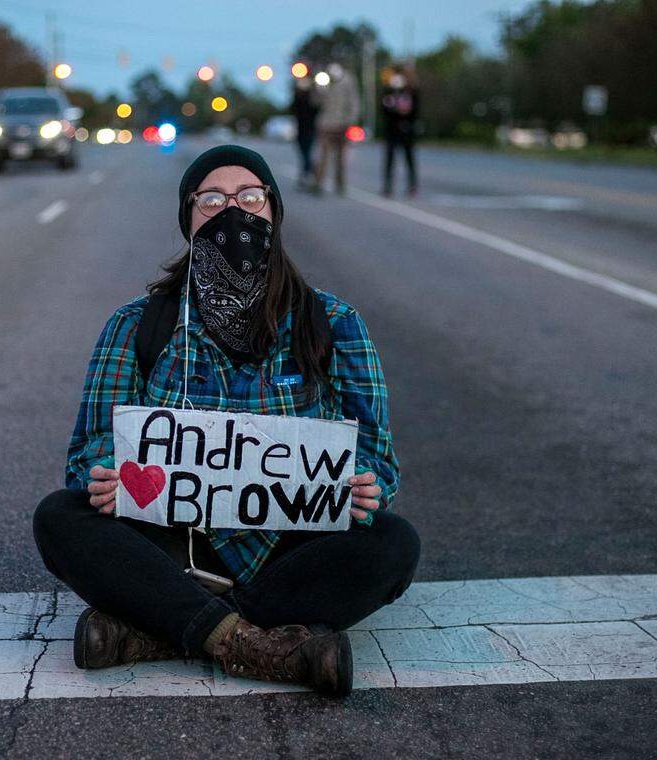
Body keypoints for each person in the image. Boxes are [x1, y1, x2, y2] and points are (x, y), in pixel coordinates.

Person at [32, 145, 419, 697]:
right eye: (211, 199)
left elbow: (377, 453)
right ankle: (260, 643)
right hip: (171, 544)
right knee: (60, 517)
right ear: (189, 219)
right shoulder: (138, 324)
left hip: (288, 549)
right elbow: (90, 447)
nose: (233, 211)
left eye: (250, 197)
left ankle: (162, 631)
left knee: (392, 544)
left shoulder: (332, 322)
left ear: (272, 212)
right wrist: (104, 477)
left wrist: (363, 485)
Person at [311, 62, 360, 195]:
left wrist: (350, 121)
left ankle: (340, 185)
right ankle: (318, 183)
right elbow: (315, 103)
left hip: (342, 125)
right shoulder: (324, 81)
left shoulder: (348, 81)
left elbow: (354, 102)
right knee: (322, 157)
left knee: (340, 158)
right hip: (325, 125)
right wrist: (319, 89)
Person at [380, 64, 419, 196]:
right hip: (391, 131)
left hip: (407, 131)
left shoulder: (411, 92)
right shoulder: (388, 92)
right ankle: (387, 186)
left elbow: (415, 111)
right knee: (390, 160)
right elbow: (384, 110)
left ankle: (412, 186)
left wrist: (408, 120)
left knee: (409, 159)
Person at [290, 73, 319, 188]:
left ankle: (307, 173)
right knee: (303, 153)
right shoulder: (297, 99)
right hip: (301, 130)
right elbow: (292, 108)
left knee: (307, 153)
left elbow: (317, 108)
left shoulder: (312, 100)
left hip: (310, 130)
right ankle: (308, 172)